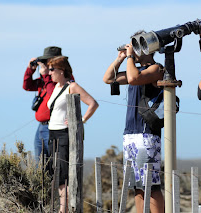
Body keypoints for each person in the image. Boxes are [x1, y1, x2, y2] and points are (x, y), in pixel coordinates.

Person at [103, 30, 164, 213]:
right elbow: (108, 78)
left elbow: (133, 78)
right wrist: (121, 58)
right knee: (137, 185)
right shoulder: (134, 68)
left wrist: (130, 57)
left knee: (151, 186)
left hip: (147, 135)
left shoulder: (156, 68)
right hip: (131, 133)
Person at [47, 56, 99, 213]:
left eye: (52, 70)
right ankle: (62, 207)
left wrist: (80, 120)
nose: (49, 73)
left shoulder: (72, 86)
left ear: (61, 71)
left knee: (64, 171)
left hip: (64, 134)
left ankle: (64, 209)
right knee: (54, 171)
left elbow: (93, 103)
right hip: (52, 133)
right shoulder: (55, 87)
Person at [23, 46, 62, 164]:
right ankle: (41, 182)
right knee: (40, 164)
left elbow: (53, 95)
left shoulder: (62, 78)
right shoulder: (44, 80)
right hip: (41, 126)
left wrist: (46, 75)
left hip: (53, 126)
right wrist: (30, 70)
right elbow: (27, 86)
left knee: (52, 163)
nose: (46, 65)